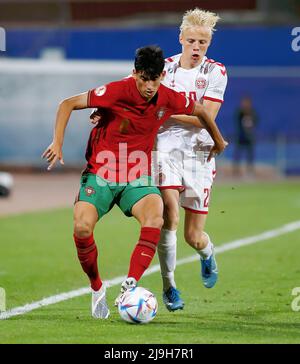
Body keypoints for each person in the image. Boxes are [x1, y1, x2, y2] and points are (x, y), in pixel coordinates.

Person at [42, 45, 227, 319]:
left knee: (156, 217)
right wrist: (57, 142)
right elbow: (67, 104)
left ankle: (130, 284)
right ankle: (96, 288)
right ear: (134, 74)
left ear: (162, 76)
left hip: (137, 175)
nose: (149, 86)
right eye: (144, 79)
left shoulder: (167, 96)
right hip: (102, 173)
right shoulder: (116, 91)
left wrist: (218, 140)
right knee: (81, 228)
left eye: (155, 79)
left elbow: (200, 110)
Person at [91, 9, 228, 312]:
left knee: (193, 235)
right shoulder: (161, 69)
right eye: (191, 40)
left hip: (199, 155)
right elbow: (128, 92)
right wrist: (104, 110)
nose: (196, 47)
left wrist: (159, 109)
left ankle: (207, 254)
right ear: (181, 39)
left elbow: (204, 117)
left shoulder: (216, 72)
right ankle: (170, 286)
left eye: (202, 42)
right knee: (169, 216)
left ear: (209, 44)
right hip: (165, 148)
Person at [233, 96, 258, 176]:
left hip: (249, 137)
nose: (245, 104)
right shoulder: (240, 112)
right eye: (244, 103)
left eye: (247, 103)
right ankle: (236, 171)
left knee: (250, 155)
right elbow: (237, 122)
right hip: (241, 136)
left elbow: (256, 122)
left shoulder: (252, 112)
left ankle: (249, 171)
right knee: (238, 154)